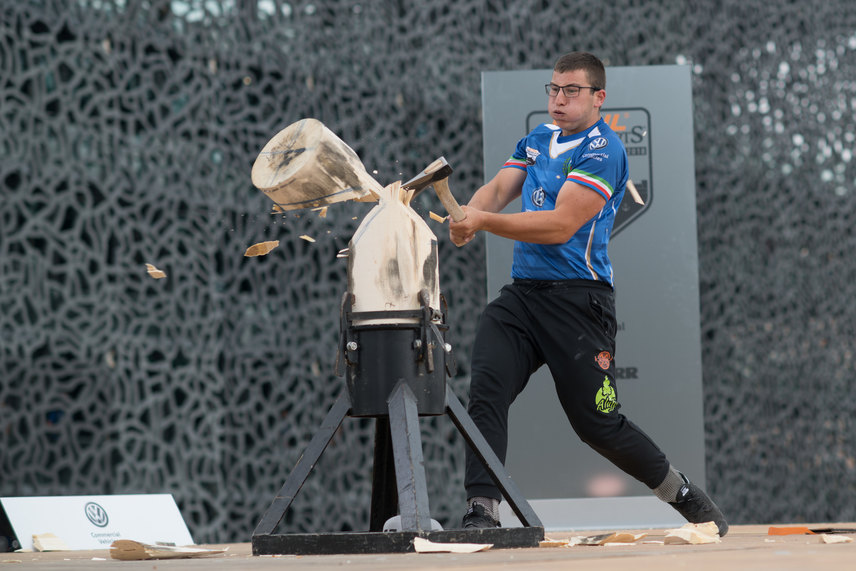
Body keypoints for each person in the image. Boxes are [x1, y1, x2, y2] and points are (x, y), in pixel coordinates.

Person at [449, 51, 728, 536]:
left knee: (597, 424)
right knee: (485, 392)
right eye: (553, 89)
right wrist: (466, 216)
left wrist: (484, 222)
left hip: (580, 302)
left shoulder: (605, 150)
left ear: (599, 98)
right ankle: (482, 511)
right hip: (522, 298)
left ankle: (678, 491)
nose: (558, 99)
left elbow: (560, 225)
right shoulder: (537, 139)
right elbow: (496, 190)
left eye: (571, 91)